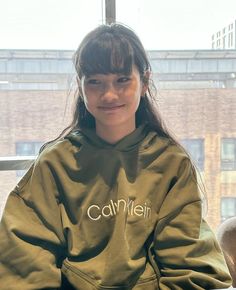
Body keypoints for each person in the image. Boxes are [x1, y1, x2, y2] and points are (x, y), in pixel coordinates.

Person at [0, 23, 232, 290]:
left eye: (122, 80)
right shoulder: (54, 164)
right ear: (80, 85)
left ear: (144, 82)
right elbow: (25, 262)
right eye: (95, 81)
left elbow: (189, 265)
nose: (109, 94)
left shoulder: (170, 163)